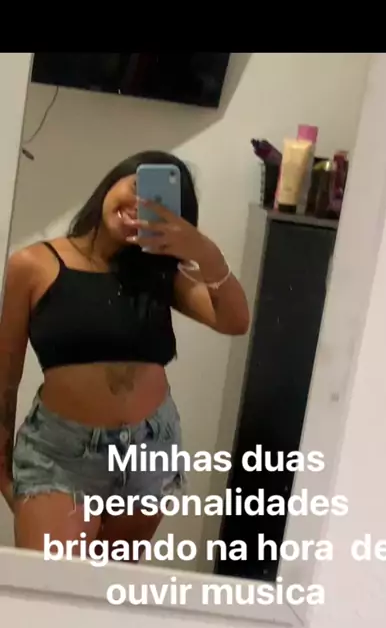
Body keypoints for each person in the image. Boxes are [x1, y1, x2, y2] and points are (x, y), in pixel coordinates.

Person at [0, 150, 249, 560]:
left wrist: (204, 251)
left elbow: (235, 321)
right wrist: (2, 467)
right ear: (112, 181)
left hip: (149, 449)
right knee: (52, 586)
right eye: (136, 187)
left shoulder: (160, 273)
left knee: (107, 590)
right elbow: (5, 376)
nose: (139, 205)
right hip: (60, 454)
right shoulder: (33, 265)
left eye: (158, 203)